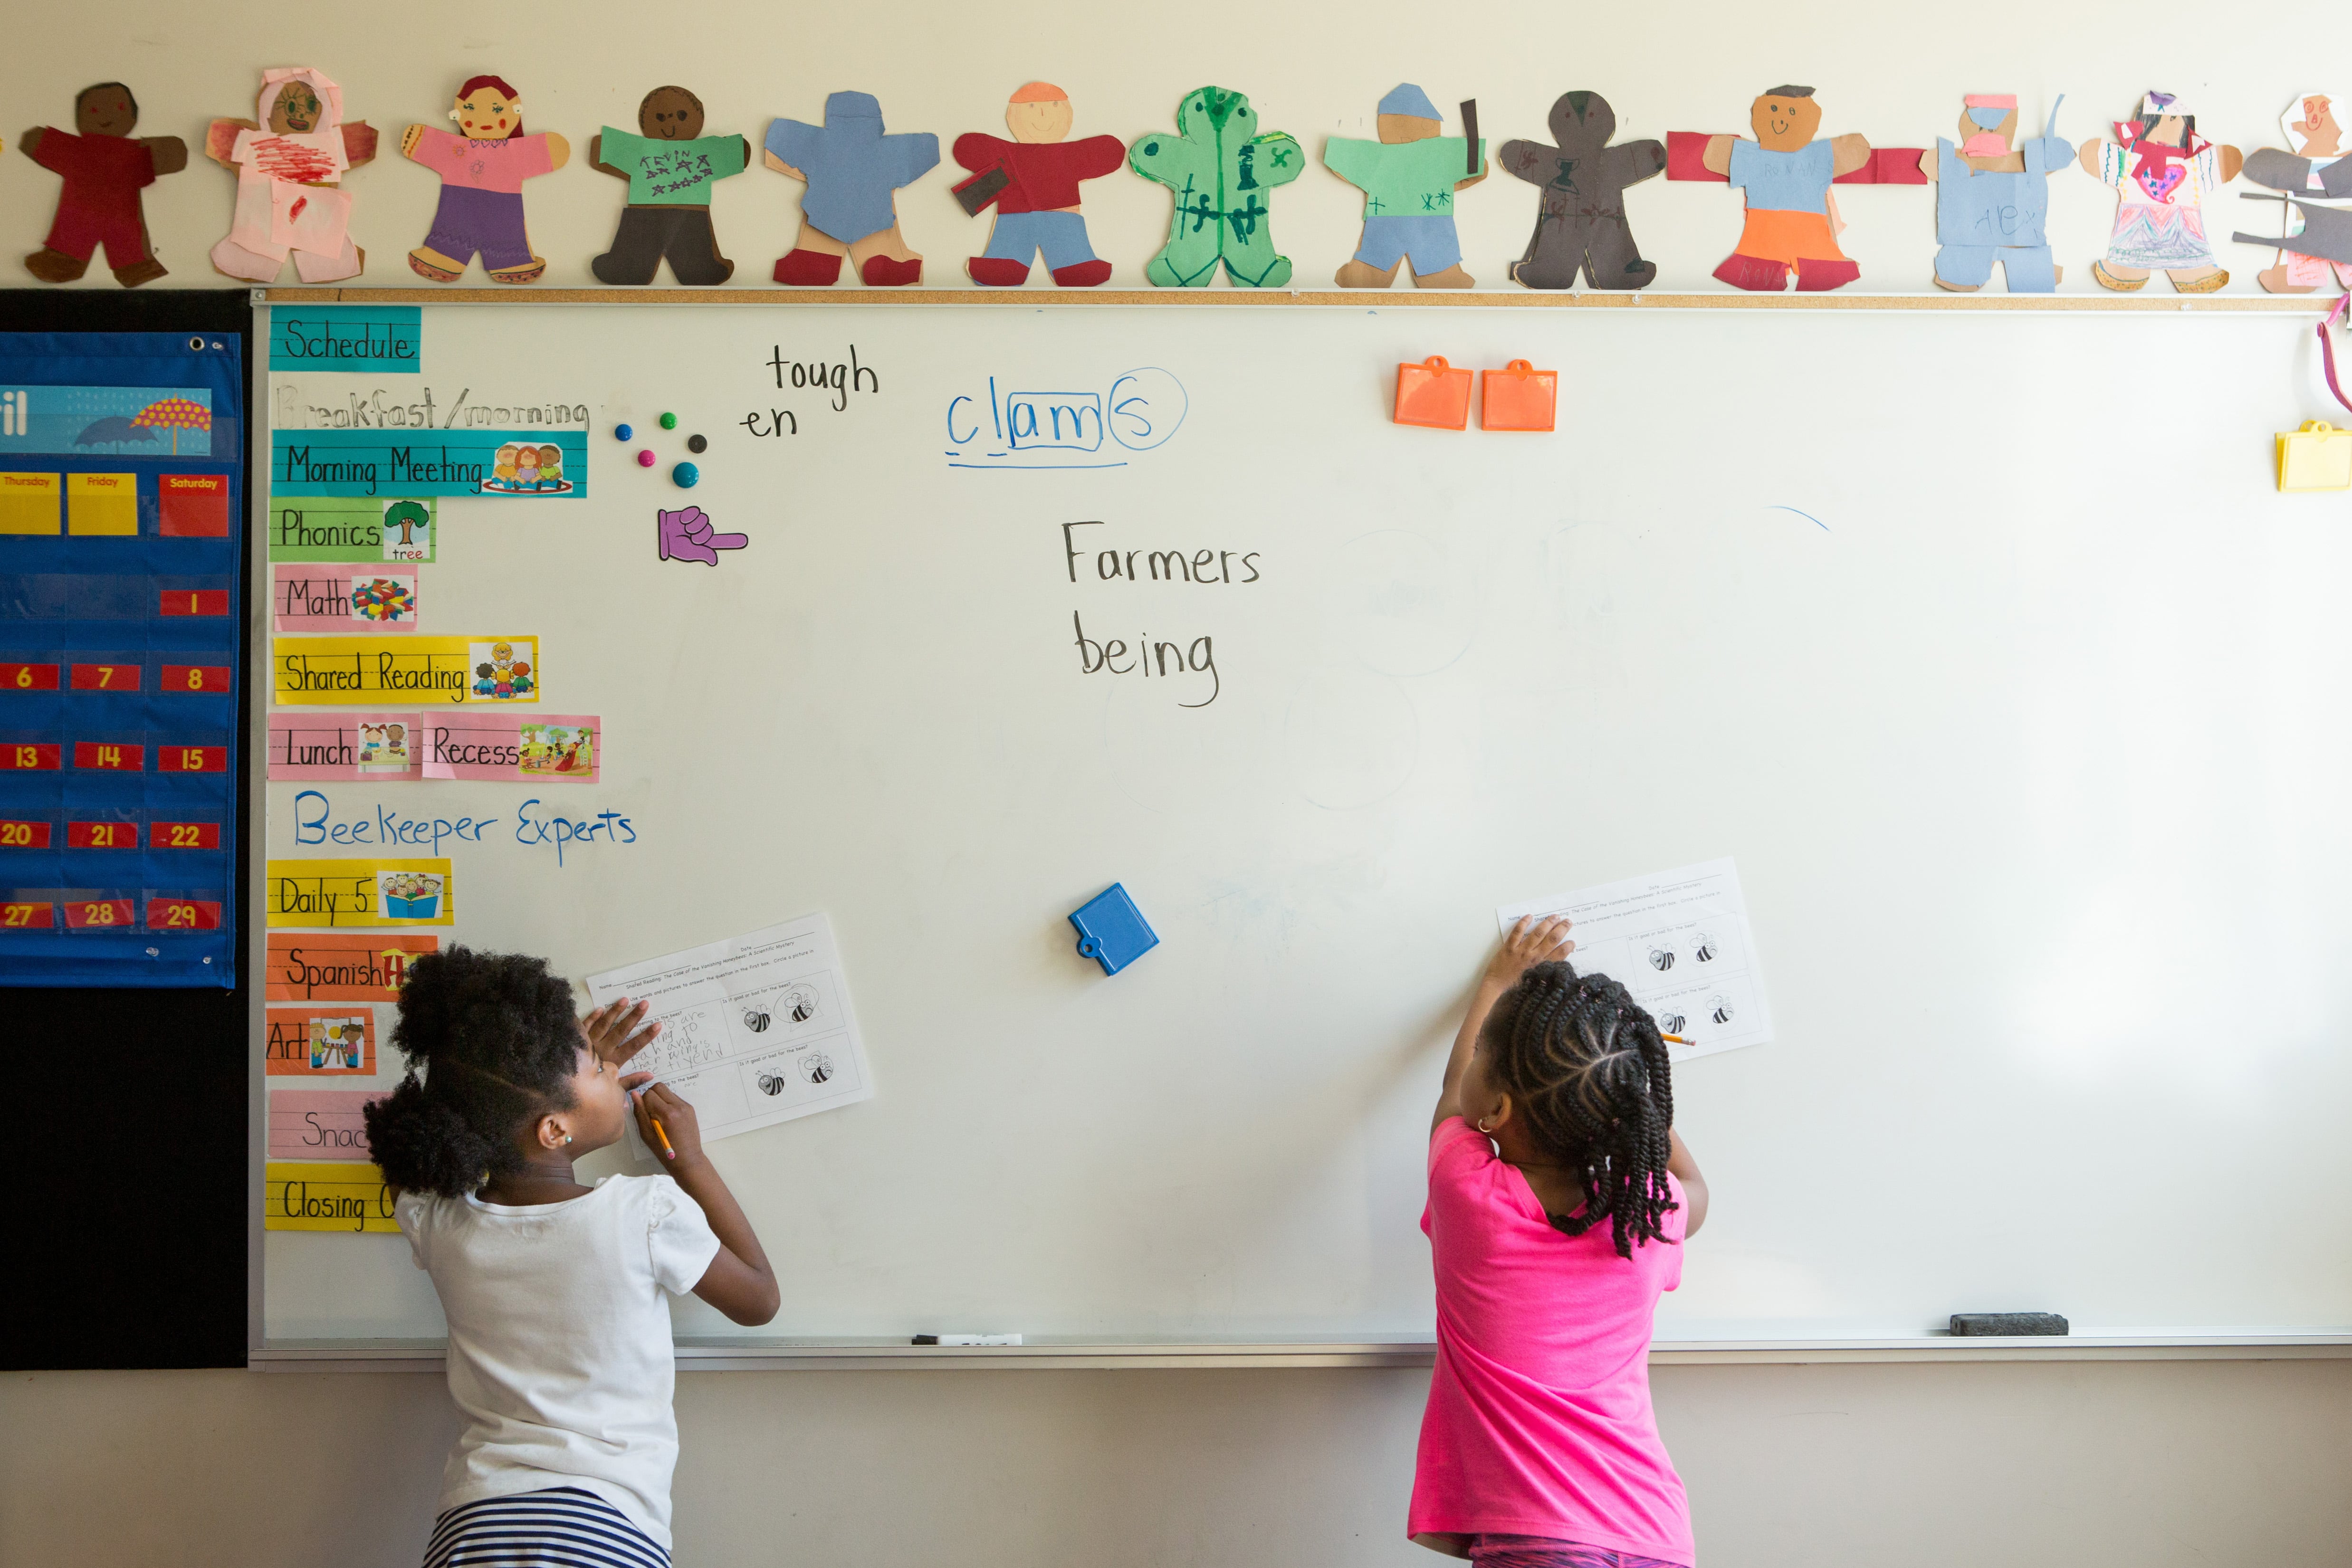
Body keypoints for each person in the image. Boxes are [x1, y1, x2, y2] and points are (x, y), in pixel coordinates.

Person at [363, 948, 779, 1568]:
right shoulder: (646, 1214)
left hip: (472, 1526)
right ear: (555, 1130)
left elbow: (418, 1168)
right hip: (602, 1525)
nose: (613, 1073)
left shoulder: (440, 1222)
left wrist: (551, 1070)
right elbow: (758, 1299)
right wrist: (687, 1159)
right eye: (599, 1071)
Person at [1411, 915, 1709, 1568]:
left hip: (1540, 1538)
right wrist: (1632, 1100)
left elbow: (1448, 1097)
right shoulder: (1647, 1213)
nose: (1476, 1057)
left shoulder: (1467, 1193)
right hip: (1652, 1530)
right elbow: (1693, 1185)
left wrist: (1495, 983)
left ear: (1496, 1113)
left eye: (1485, 1052)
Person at [400, 75, 570, 284]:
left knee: (506, 239)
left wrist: (553, 146)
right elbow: (420, 142)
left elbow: (554, 150)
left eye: (497, 110)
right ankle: (442, 259)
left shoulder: (515, 151)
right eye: (471, 109)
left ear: (514, 110)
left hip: (501, 210)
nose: (485, 118)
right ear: (459, 112)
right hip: (459, 207)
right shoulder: (457, 149)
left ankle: (512, 265)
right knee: (451, 234)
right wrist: (418, 137)